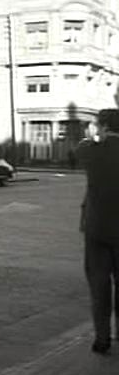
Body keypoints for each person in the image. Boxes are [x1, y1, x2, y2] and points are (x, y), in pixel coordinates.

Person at [77, 108, 119, 355]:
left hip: (97, 228)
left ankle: (102, 339)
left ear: (102, 126)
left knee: (99, 286)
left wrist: (93, 135)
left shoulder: (91, 150)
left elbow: (78, 150)